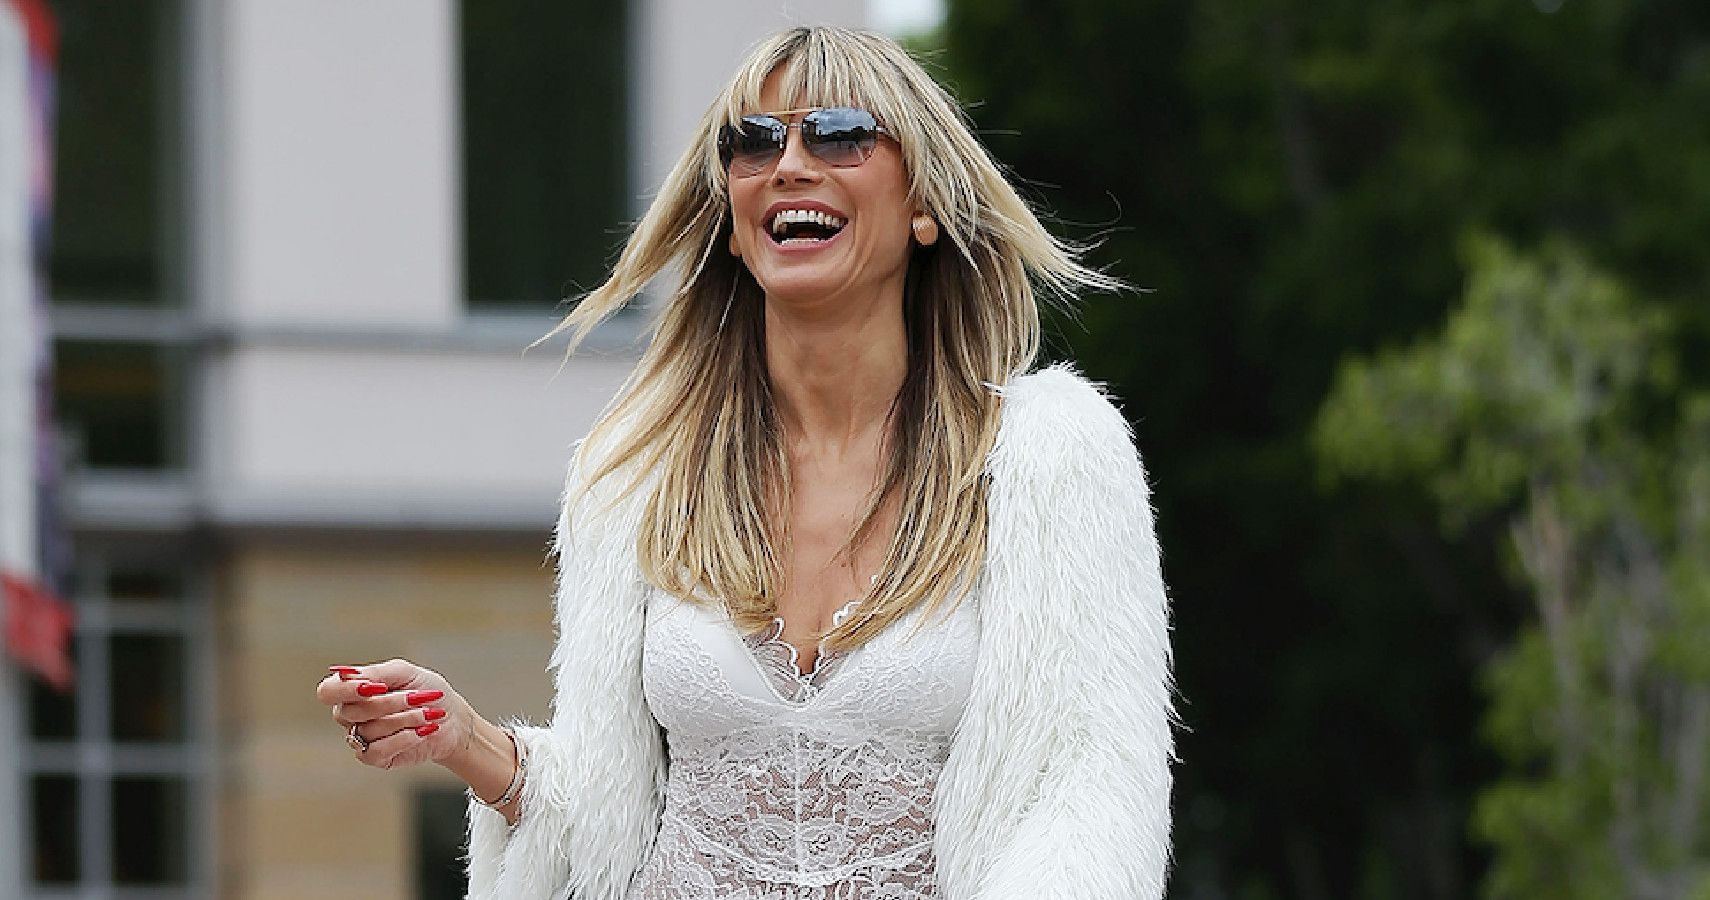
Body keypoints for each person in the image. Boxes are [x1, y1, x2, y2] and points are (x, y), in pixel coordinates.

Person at [315, 24, 1174, 900]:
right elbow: (610, 824)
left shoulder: (1051, 463)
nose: (791, 162)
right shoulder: (635, 477)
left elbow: (1091, 798)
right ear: (731, 220)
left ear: (923, 206)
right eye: (753, 141)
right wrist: (469, 742)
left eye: (839, 132)